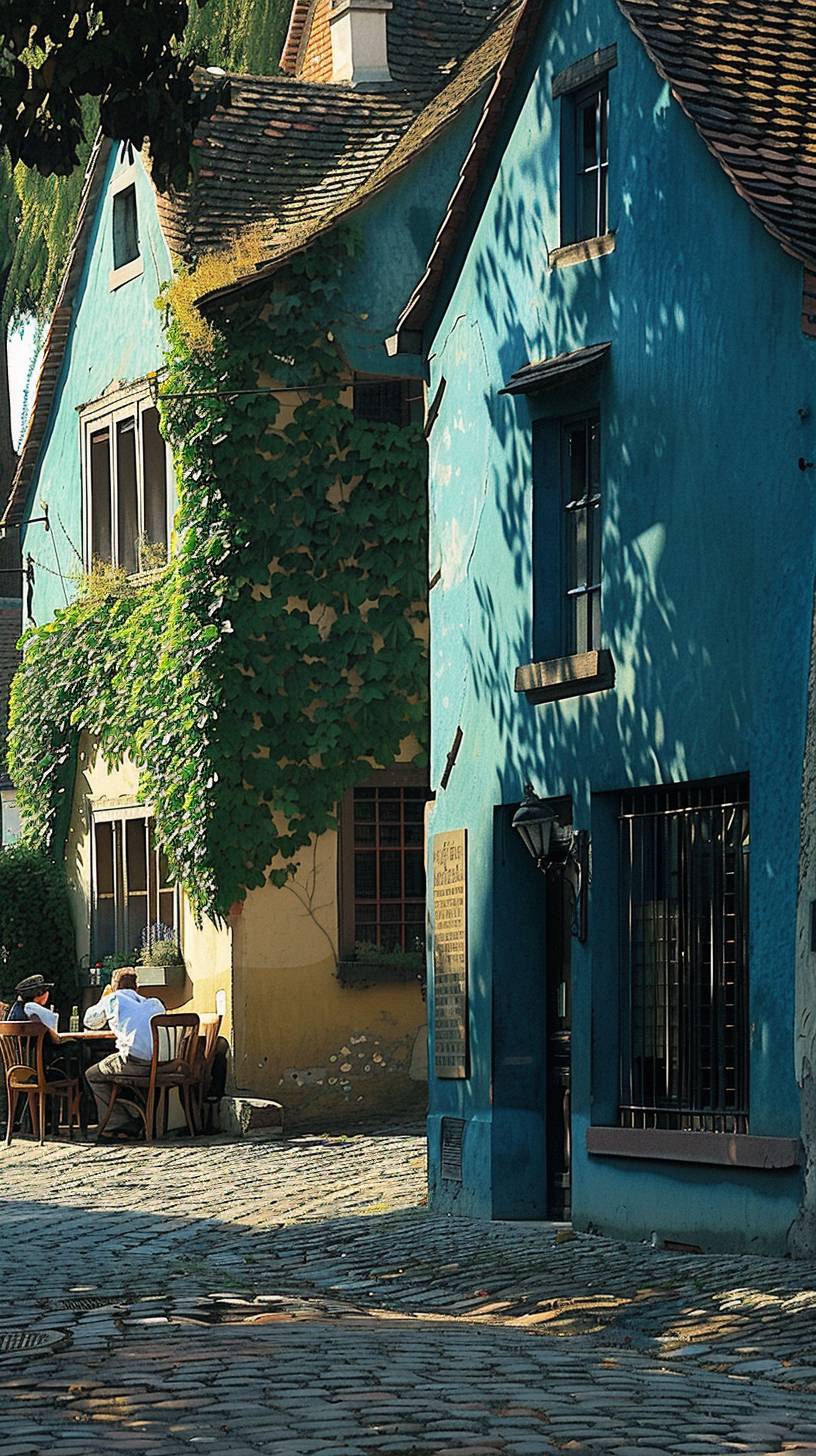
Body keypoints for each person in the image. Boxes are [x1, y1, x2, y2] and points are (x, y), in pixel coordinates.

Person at [84, 968, 164, 1139]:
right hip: (162, 1064)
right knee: (116, 1070)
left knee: (92, 1074)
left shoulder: (113, 999)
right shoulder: (154, 1003)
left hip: (134, 1062)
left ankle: (117, 1122)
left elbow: (90, 1022)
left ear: (114, 986)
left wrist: (104, 998)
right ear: (137, 987)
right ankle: (135, 1116)